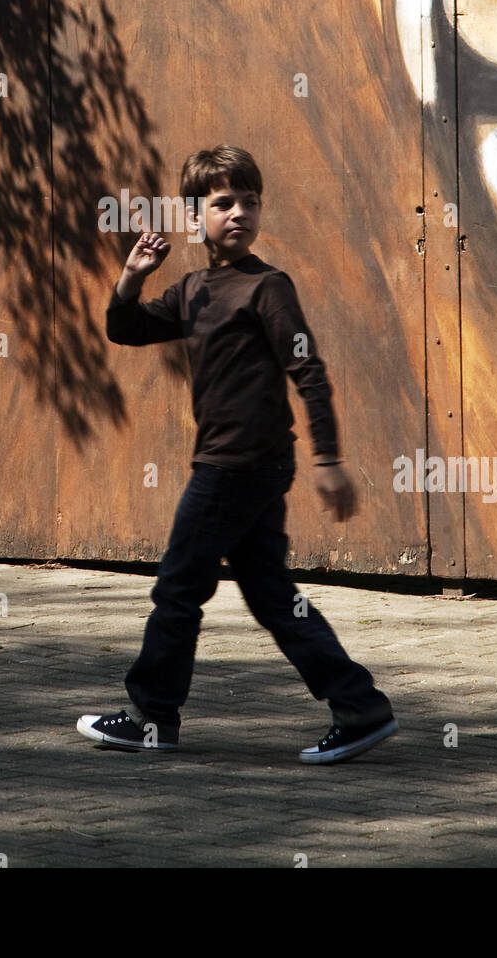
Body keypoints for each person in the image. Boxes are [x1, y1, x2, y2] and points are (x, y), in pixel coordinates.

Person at [76, 144, 398, 763]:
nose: (240, 213)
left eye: (250, 202)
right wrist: (133, 275)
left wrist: (328, 460)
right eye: (224, 203)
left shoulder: (267, 288)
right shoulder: (194, 289)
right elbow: (126, 329)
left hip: (238, 466)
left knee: (177, 587)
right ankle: (359, 706)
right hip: (234, 465)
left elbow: (309, 371)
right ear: (196, 217)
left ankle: (152, 717)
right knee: (272, 594)